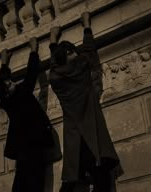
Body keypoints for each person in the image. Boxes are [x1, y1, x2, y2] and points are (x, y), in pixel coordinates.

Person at [49, 12, 123, 192]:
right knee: (103, 181)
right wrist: (87, 26)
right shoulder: (82, 69)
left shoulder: (55, 78)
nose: (76, 53)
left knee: (71, 183)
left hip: (75, 142)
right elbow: (90, 52)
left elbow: (55, 64)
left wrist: (52, 40)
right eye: (73, 51)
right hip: (92, 140)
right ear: (69, 54)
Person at [0, 37, 61, 192]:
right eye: (9, 85)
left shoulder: (8, 101)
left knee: (21, 182)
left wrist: (4, 63)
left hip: (23, 150)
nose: (12, 83)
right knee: (35, 182)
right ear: (7, 94)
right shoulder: (21, 94)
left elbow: (2, 82)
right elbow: (31, 75)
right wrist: (33, 50)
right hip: (33, 147)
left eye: (9, 81)